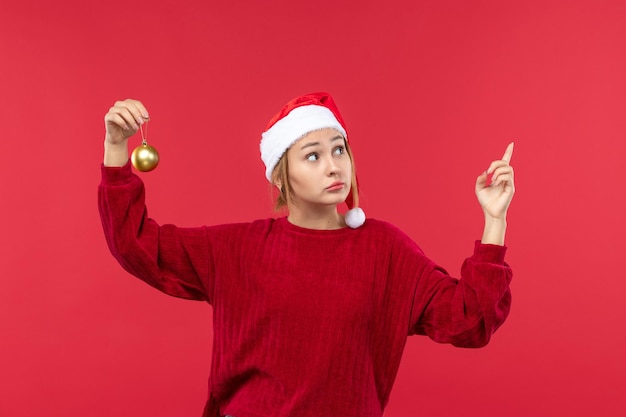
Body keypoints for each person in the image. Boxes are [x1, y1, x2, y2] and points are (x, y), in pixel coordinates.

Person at [98, 92, 514, 417]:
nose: (333, 166)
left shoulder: (385, 250)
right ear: (281, 177)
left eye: (339, 149)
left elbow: (470, 321)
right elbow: (135, 244)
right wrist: (116, 147)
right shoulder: (237, 250)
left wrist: (494, 221)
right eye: (313, 156)